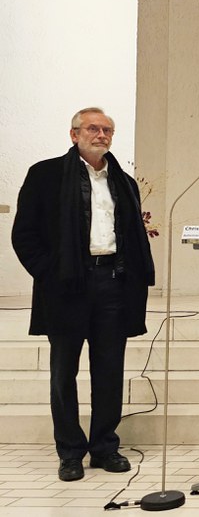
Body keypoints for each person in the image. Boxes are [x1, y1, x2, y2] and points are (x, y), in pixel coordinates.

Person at [11, 107, 155, 482]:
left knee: (109, 370)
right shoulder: (45, 175)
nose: (101, 135)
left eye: (107, 130)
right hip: (66, 286)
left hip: (112, 283)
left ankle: (105, 446)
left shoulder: (123, 181)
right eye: (93, 128)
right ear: (74, 134)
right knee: (64, 372)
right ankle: (70, 451)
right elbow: (23, 234)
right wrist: (50, 273)